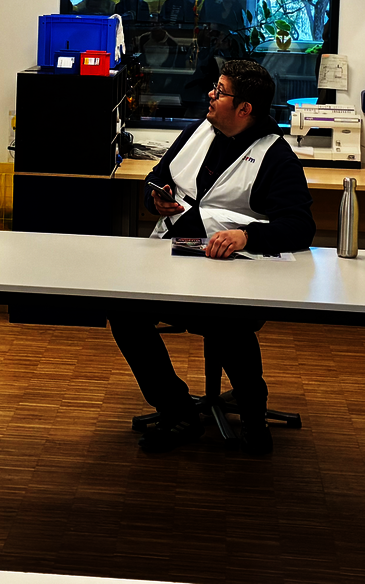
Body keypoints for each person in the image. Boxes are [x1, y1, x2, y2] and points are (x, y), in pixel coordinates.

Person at [110, 59, 315, 455]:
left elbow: (299, 227)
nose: (210, 94)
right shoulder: (198, 131)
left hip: (233, 272)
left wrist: (246, 236)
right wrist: (155, 198)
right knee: (123, 310)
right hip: (174, 259)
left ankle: (254, 417)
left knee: (226, 320)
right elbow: (158, 176)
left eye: (220, 92)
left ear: (245, 109)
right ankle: (176, 409)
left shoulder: (276, 156)